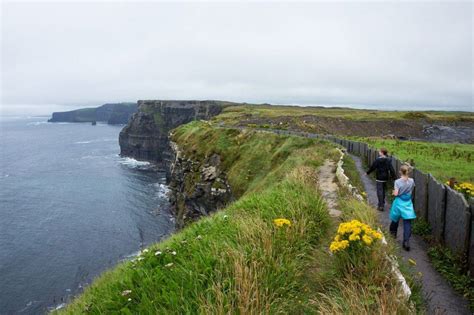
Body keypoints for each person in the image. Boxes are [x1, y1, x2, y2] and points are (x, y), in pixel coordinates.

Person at [389, 165, 416, 251]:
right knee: (407, 222)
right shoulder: (412, 181)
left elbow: (396, 193)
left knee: (395, 218)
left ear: (400, 172)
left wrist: (393, 192)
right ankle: (406, 242)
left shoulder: (397, 182)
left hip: (399, 202)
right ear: (408, 172)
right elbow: (412, 189)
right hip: (407, 203)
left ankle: (393, 234)